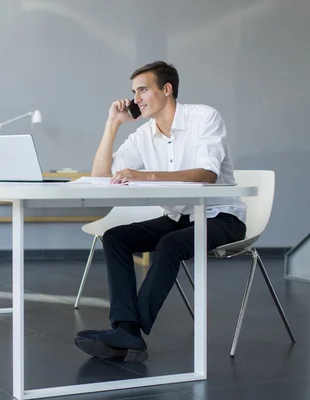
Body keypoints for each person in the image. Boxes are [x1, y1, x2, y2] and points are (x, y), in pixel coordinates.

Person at [74, 61, 247, 364]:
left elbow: (208, 174)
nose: (135, 98)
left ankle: (128, 332)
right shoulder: (144, 134)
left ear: (166, 90)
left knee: (170, 244)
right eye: (133, 92)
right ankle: (126, 329)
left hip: (222, 217)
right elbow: (101, 177)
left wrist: (149, 176)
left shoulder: (204, 117)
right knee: (115, 237)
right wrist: (112, 124)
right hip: (177, 218)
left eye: (142, 89)